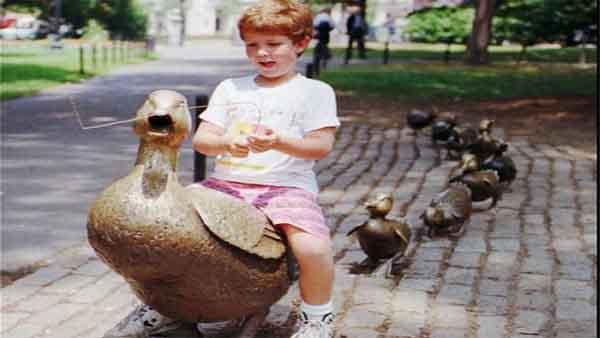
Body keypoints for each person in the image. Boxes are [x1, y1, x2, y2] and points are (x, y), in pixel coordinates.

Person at [195, 1, 338, 337]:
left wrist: (279, 142)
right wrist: (227, 143)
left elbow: (321, 146)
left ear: (301, 44)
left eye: (274, 44)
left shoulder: (315, 92)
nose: (262, 53)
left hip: (286, 186)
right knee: (170, 227)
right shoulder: (231, 88)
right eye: (252, 45)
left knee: (312, 248)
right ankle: (165, 308)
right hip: (226, 184)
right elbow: (203, 140)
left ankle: (317, 317)